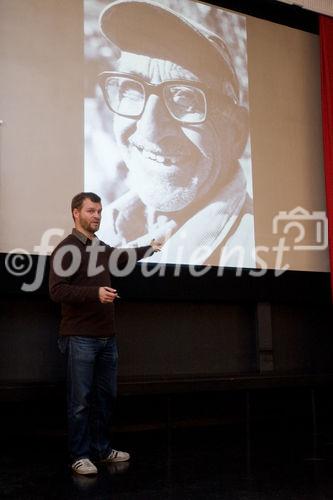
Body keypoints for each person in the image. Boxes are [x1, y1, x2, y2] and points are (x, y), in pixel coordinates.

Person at [88, 0, 255, 268]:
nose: (149, 131)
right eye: (132, 88)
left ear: (234, 134)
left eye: (185, 98)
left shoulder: (256, 251)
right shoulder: (104, 226)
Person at [49, 192, 161, 475]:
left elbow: (121, 258)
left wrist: (150, 248)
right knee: (80, 401)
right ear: (76, 213)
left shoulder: (99, 246)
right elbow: (57, 290)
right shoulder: (66, 248)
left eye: (99, 211)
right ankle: (80, 455)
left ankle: (101, 449)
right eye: (91, 211)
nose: (97, 216)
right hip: (80, 337)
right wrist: (95, 293)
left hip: (106, 338)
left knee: (105, 397)